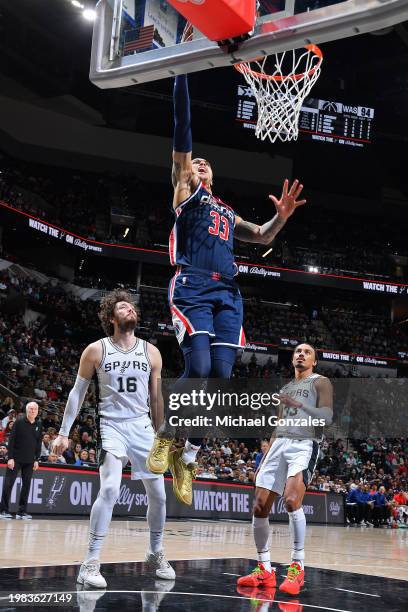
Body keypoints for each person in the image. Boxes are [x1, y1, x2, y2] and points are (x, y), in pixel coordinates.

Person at [148, 25, 307, 504]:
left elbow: (260, 237)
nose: (200, 167)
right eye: (195, 164)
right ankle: (167, 436)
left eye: (205, 166)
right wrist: (182, 74)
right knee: (196, 366)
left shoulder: (222, 208)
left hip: (228, 293)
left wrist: (279, 219)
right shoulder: (186, 193)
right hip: (193, 285)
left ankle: (189, 458)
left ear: (213, 176)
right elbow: (182, 132)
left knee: (218, 380)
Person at [52, 289, 175, 589]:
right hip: (111, 426)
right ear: (111, 317)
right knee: (109, 489)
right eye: (123, 307)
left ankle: (155, 552)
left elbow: (156, 399)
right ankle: (90, 562)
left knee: (158, 495)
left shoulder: (151, 351)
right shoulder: (96, 350)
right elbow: (77, 392)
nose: (130, 310)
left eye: (132, 307)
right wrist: (63, 433)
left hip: (142, 427)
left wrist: (162, 439)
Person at [238, 343, 333, 596]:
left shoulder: (320, 382)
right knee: (259, 505)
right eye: (297, 352)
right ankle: (264, 569)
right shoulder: (285, 388)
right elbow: (278, 425)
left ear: (314, 361)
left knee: (291, 500)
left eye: (307, 352)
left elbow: (326, 417)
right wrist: (265, 457)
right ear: (292, 359)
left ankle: (297, 566)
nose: (300, 354)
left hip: (305, 443)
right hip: (280, 444)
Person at [0, 402, 41, 520]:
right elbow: (11, 440)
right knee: (9, 484)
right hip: (16, 459)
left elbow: (38, 443)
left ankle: (21, 511)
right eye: (31, 409)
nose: (33, 411)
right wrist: (10, 458)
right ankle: (3, 510)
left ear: (37, 411)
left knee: (27, 486)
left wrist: (36, 459)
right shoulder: (19, 422)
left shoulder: (38, 424)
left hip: (30, 461)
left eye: (35, 409)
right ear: (27, 410)